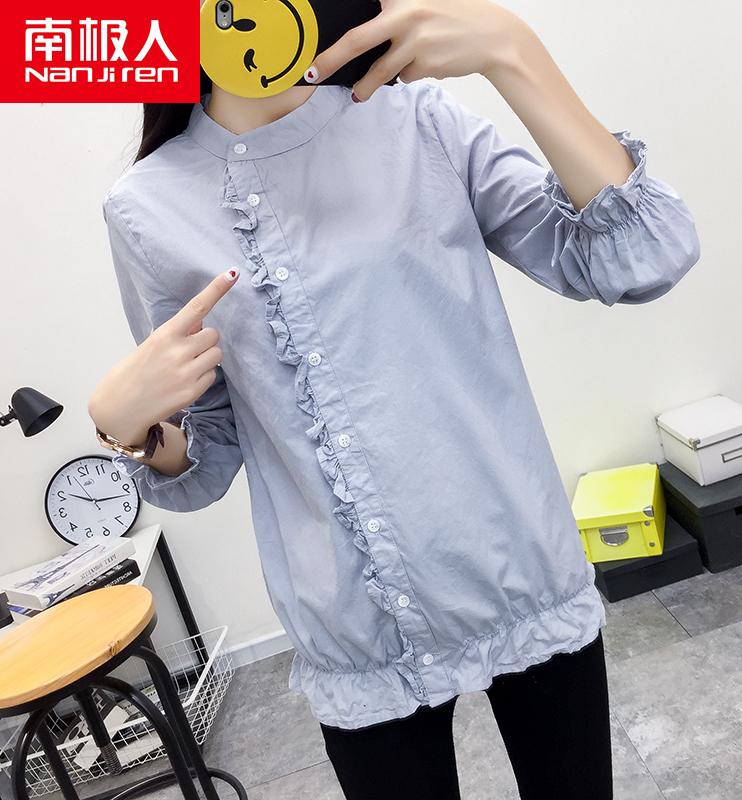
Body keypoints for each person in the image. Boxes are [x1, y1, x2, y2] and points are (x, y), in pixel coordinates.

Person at [88, 1, 701, 797]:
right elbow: (208, 453)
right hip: (352, 629)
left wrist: (514, 52)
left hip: (515, 564)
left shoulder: (418, 121)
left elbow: (637, 258)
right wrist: (127, 427)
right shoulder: (146, 206)